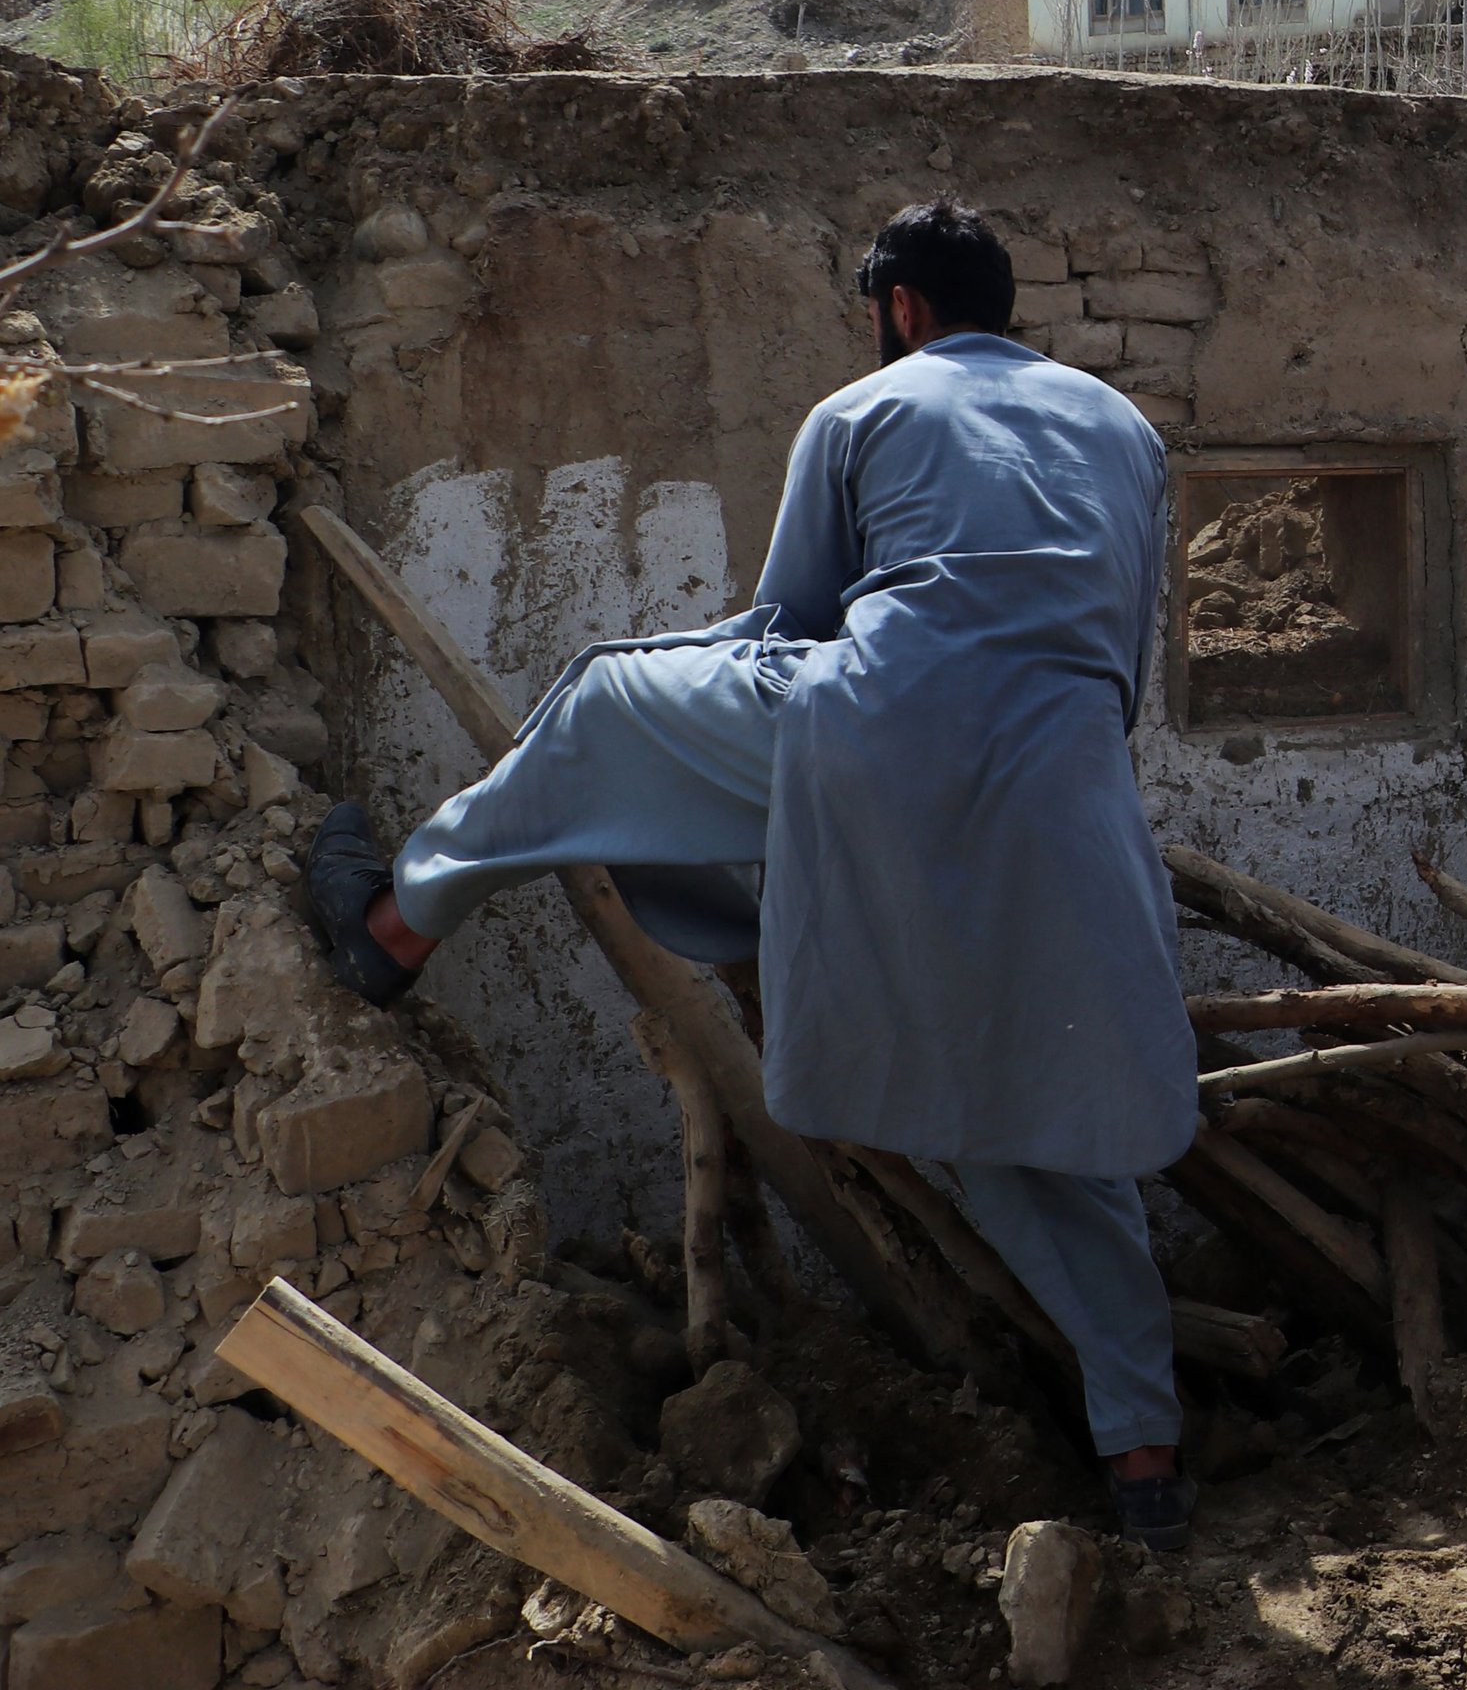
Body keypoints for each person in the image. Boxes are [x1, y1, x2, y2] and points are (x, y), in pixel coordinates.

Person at [300, 202, 1204, 1547]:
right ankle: (1144, 1469)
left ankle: (394, 924)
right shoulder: (1128, 432)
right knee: (1047, 1145)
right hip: (1068, 792)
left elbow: (791, 626)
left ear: (899, 308)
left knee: (607, 704)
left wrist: (695, 658)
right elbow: (1121, 661)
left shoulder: (864, 411)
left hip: (875, 727)